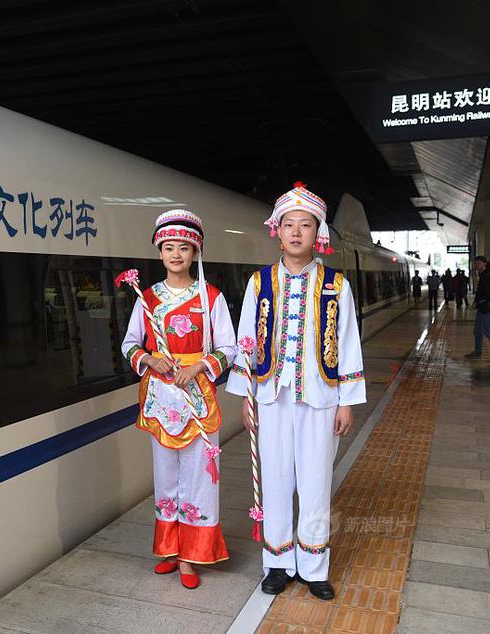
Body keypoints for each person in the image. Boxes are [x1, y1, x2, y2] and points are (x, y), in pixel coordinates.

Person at [227, 182, 366, 601]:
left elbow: (347, 342)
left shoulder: (336, 285)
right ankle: (277, 563)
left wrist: (346, 402)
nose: (296, 232)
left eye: (306, 225)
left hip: (320, 399)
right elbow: (245, 340)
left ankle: (314, 565)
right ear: (278, 230)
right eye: (289, 224)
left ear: (317, 234)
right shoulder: (258, 283)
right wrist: (245, 397)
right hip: (270, 397)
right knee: (275, 481)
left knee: (315, 482)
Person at [120, 209, 238, 590]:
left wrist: (200, 366)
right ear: (159, 253)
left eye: (183, 248)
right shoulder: (147, 298)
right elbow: (129, 344)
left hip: (197, 399)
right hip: (161, 399)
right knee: (165, 476)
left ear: (195, 253)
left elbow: (229, 349)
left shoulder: (211, 297)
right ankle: (169, 549)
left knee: (199, 479)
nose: (176, 255)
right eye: (169, 247)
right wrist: (150, 359)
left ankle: (192, 556)